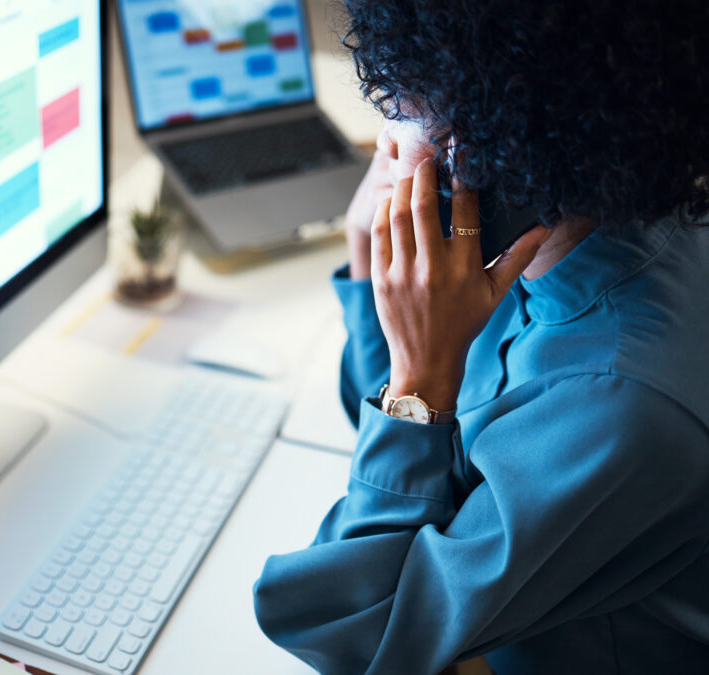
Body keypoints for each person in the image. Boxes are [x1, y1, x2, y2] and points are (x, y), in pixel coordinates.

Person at [252, 1, 709, 673]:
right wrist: (366, 256)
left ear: (489, 137)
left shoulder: (616, 406)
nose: (386, 134)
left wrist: (417, 380)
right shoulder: (561, 226)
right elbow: (393, 440)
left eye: (404, 104)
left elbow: (355, 635)